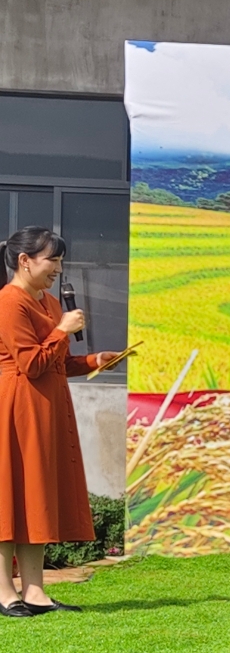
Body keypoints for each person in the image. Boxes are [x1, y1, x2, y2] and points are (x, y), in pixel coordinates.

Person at [0, 228, 122, 616]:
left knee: (35, 496)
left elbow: (57, 362)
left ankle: (35, 591)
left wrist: (94, 360)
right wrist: (61, 330)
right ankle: (5, 591)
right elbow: (31, 363)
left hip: (47, 407)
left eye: (59, 261)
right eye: (51, 260)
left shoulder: (52, 303)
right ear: (25, 261)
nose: (58, 268)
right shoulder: (9, 302)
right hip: (16, 408)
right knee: (11, 496)